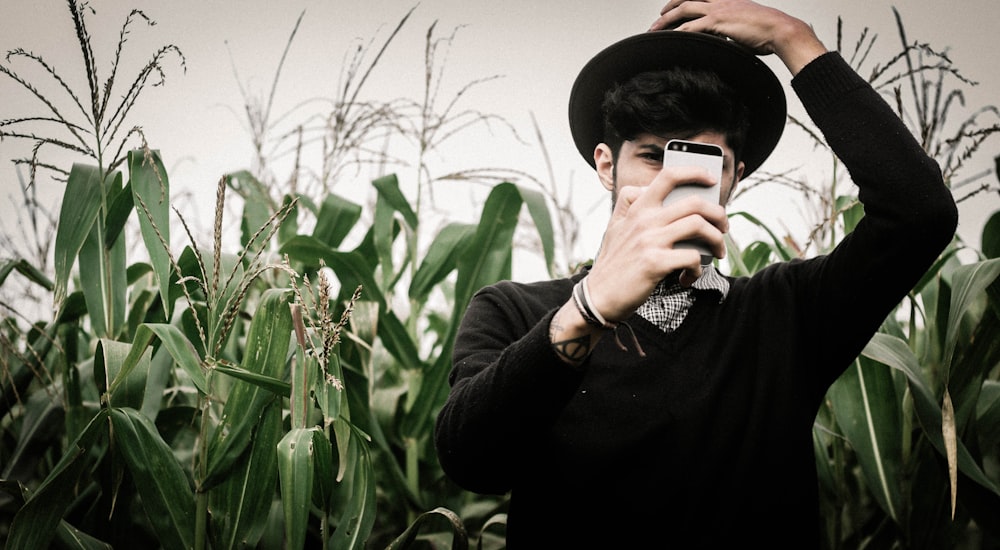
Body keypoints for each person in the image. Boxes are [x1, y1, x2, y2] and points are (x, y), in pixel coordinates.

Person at [434, 0, 958, 547]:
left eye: (701, 165)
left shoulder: (788, 315)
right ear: (606, 165)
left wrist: (792, 38)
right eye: (653, 157)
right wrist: (588, 309)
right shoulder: (515, 311)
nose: (671, 185)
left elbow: (920, 212)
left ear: (735, 177)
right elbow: (472, 461)